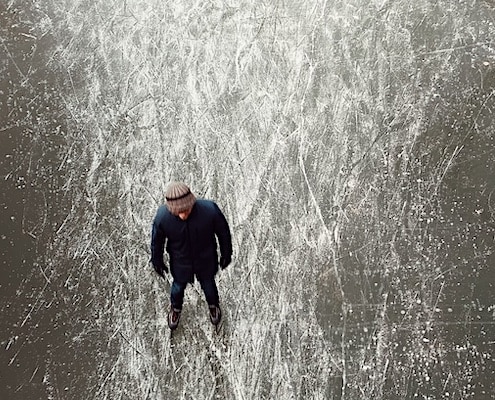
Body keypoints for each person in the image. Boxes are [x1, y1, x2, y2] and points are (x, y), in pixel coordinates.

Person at [150, 182, 232, 330]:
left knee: (209, 286)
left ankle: (213, 305)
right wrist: (157, 260)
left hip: (206, 260)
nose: (182, 215)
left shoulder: (210, 210)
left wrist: (226, 253)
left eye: (186, 210)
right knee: (177, 288)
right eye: (178, 212)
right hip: (181, 262)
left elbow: (223, 233)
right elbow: (157, 241)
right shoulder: (162, 218)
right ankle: (175, 308)